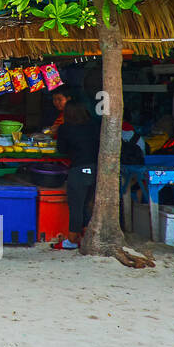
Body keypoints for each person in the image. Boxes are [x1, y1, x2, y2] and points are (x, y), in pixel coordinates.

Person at [54, 100, 99, 250]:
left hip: (78, 170)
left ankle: (72, 241)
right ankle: (86, 237)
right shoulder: (94, 126)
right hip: (95, 170)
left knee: (76, 207)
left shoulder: (65, 128)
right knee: (86, 205)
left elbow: (62, 149)